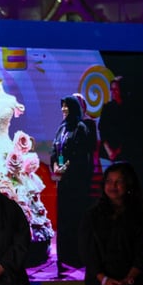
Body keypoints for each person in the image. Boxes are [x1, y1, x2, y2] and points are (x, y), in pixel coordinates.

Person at [50, 94, 94, 271]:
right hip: (63, 182)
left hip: (77, 182)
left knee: (76, 218)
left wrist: (66, 167)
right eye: (62, 106)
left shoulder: (81, 128)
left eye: (66, 106)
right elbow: (55, 150)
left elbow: (80, 154)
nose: (63, 109)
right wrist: (55, 165)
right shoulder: (62, 128)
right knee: (64, 219)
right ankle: (64, 256)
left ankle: (77, 256)